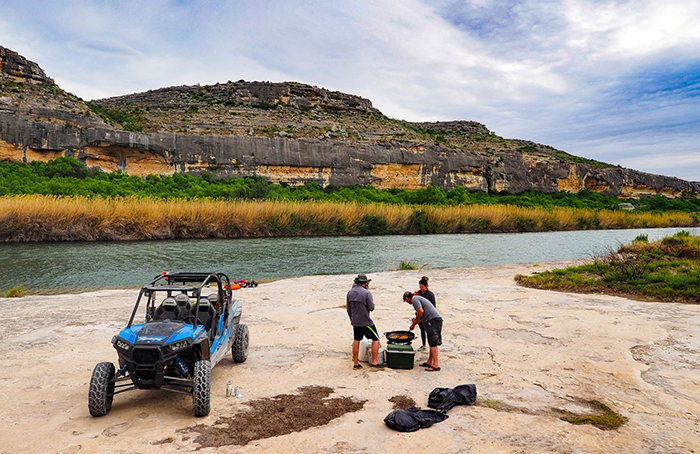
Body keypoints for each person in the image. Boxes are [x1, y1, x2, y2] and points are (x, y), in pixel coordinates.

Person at [347, 274, 381, 369]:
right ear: (365, 283)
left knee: (356, 340)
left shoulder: (350, 293)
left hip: (355, 322)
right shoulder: (366, 293)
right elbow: (371, 307)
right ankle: (374, 362)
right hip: (366, 322)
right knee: (376, 339)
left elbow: (348, 309)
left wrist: (352, 319)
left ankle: (356, 363)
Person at [403, 291, 442, 371]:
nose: (407, 302)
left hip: (433, 320)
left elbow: (420, 311)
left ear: (407, 298)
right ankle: (430, 362)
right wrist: (414, 324)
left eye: (405, 301)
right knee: (431, 342)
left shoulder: (414, 299)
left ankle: (436, 365)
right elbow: (421, 316)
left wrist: (416, 320)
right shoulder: (417, 298)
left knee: (433, 342)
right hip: (431, 320)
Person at [416, 276, 436, 351]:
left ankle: (431, 345)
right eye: (420, 287)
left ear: (426, 286)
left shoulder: (430, 295)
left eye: (422, 287)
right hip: (420, 315)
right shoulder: (418, 293)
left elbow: (433, 306)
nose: (421, 288)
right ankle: (423, 344)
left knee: (429, 331)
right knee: (422, 330)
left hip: (428, 316)